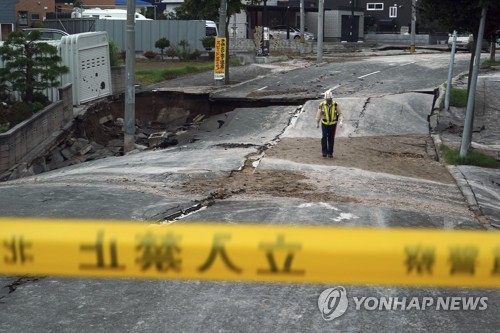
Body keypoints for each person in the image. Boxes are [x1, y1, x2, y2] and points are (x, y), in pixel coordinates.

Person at [316, 91, 343, 158]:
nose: (328, 101)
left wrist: (341, 121)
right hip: (324, 124)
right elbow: (318, 114)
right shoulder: (322, 105)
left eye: (330, 99)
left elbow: (340, 113)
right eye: (327, 100)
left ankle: (330, 153)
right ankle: (324, 152)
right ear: (325, 99)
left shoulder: (335, 104)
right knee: (324, 137)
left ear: (331, 99)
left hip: (333, 124)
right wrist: (317, 122)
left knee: (331, 138)